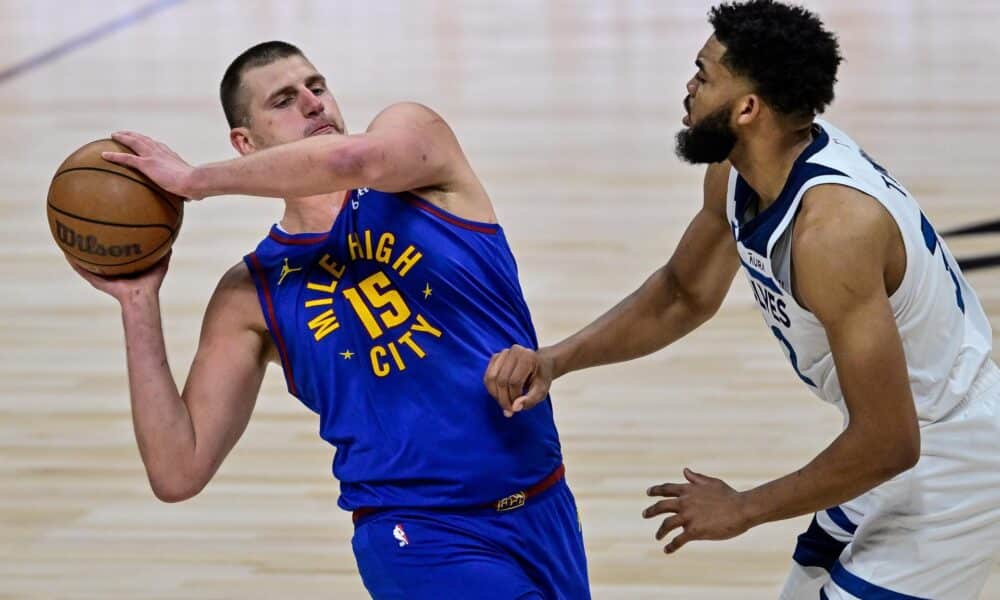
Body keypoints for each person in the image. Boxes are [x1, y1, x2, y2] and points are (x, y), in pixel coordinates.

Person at [482, 1, 1000, 598]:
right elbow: (682, 293)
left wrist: (743, 508)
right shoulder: (739, 174)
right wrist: (556, 359)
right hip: (897, 434)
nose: (688, 89)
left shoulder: (831, 233)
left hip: (950, 455)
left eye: (703, 76)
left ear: (748, 108)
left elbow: (891, 440)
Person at [77, 41, 590, 599]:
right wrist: (137, 301)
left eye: (316, 87)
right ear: (245, 144)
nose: (312, 103)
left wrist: (195, 180)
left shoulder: (419, 155)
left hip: (544, 504)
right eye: (283, 100)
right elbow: (177, 471)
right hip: (415, 535)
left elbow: (352, 160)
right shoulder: (250, 292)